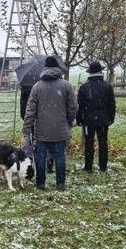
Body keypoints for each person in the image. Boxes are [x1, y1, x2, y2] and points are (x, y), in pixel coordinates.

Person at [23, 56, 77, 190]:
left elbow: (30, 110)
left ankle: (40, 183)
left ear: (45, 68)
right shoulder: (67, 85)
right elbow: (73, 107)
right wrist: (68, 121)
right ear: (58, 68)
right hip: (60, 128)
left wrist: (27, 128)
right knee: (60, 156)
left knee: (40, 157)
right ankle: (60, 183)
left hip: (42, 130)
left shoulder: (37, 87)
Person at [76, 61, 116, 172]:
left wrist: (79, 119)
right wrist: (111, 118)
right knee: (103, 142)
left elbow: (81, 106)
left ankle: (88, 166)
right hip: (103, 119)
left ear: (90, 73)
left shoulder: (84, 87)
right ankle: (103, 166)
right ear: (101, 71)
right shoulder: (107, 87)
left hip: (88, 120)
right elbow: (112, 104)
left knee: (89, 143)